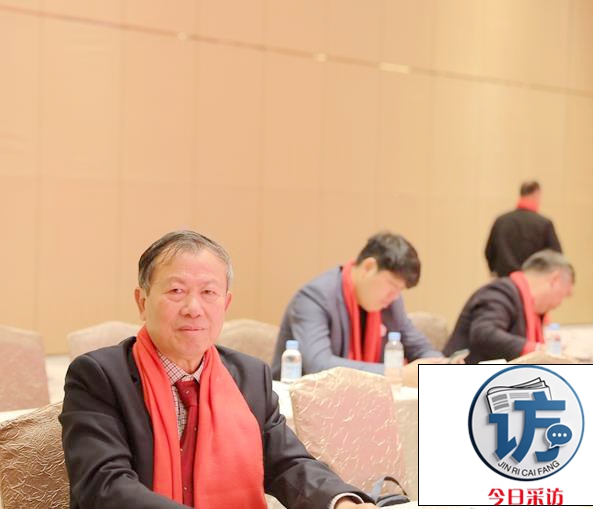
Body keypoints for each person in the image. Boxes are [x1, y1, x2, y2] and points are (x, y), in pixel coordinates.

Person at [60, 231, 378, 509]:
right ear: (142, 302)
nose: (193, 308)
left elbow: (287, 463)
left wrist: (341, 502)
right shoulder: (99, 376)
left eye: (208, 293)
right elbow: (105, 486)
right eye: (176, 291)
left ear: (225, 304)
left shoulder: (250, 377)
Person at [272, 231, 446, 380]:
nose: (394, 296)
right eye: (392, 285)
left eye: (400, 290)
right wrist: (396, 374)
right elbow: (319, 365)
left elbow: (419, 347)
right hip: (299, 403)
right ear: (368, 267)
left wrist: (439, 366)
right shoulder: (314, 298)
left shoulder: (391, 303)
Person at [443, 249, 574, 364]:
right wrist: (538, 349)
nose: (560, 303)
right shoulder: (500, 292)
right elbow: (484, 333)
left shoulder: (531, 306)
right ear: (554, 280)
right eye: (565, 294)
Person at [485, 180, 562, 277]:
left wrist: (496, 271)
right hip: (532, 280)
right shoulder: (544, 224)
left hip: (505, 280)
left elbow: (489, 252)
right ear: (536, 193)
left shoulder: (501, 221)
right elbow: (556, 256)